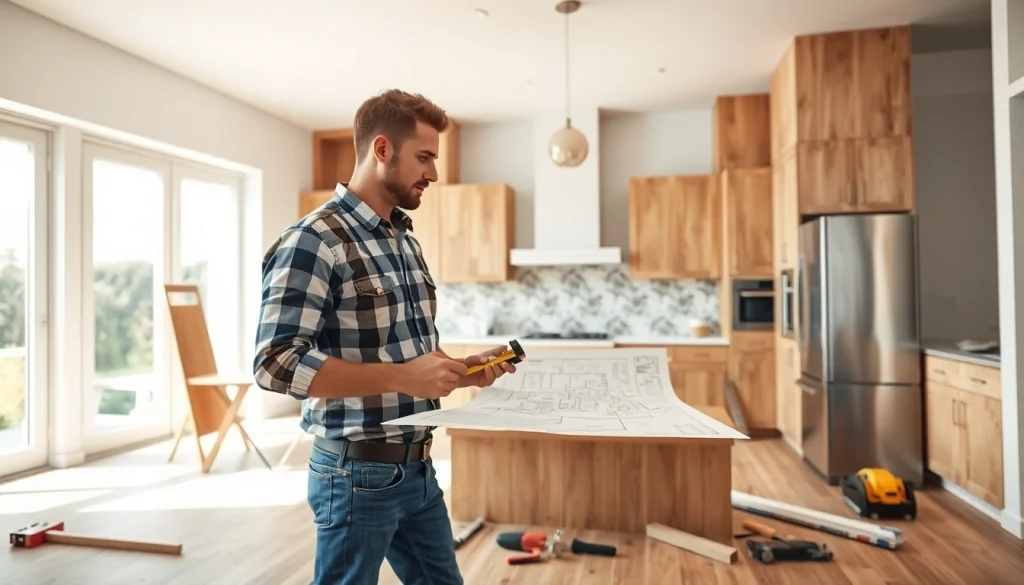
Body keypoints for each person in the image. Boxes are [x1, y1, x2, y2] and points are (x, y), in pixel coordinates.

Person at [253, 89, 516, 585]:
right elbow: (275, 364)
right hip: (354, 475)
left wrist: (465, 369)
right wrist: (403, 376)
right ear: (381, 149)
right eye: (424, 157)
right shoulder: (314, 240)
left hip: (417, 469)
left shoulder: (403, 240)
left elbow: (412, 361)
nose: (434, 173)